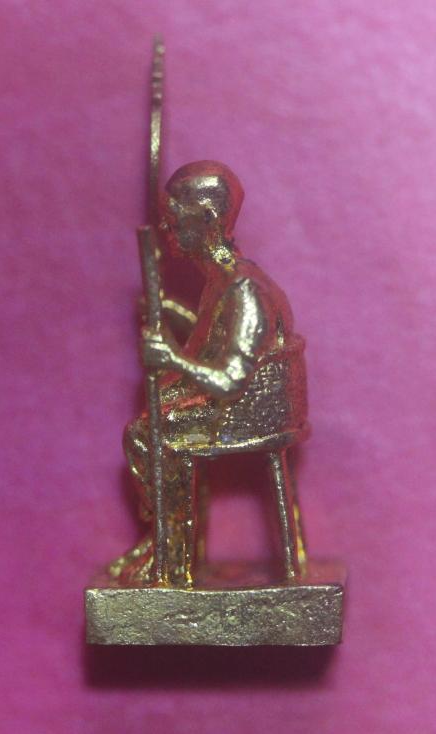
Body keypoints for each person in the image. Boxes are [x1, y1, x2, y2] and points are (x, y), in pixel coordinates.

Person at [109, 160, 308, 586]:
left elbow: (231, 379)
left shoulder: (243, 289)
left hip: (249, 411)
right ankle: (164, 535)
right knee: (154, 410)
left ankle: (171, 557)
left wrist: (171, 360)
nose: (167, 224)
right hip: (238, 401)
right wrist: (171, 314)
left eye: (176, 213)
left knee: (149, 434)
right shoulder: (221, 282)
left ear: (208, 219)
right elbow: (211, 341)